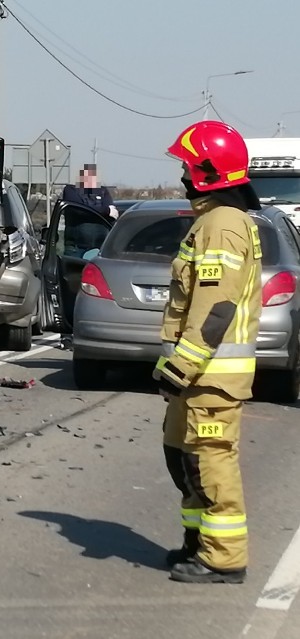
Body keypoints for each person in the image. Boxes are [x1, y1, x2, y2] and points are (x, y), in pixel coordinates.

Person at [155, 121, 262, 584]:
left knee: (209, 461)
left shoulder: (222, 225)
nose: (181, 171)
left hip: (212, 376)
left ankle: (224, 558)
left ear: (207, 172)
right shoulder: (213, 221)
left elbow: (215, 306)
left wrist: (182, 364)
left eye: (186, 164)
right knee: (181, 455)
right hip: (198, 375)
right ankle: (197, 542)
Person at [60, 164, 118, 257]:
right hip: (76, 248)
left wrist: (103, 211)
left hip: (100, 248)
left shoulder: (103, 191)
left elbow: (112, 215)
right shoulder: (70, 190)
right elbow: (78, 209)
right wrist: (105, 210)